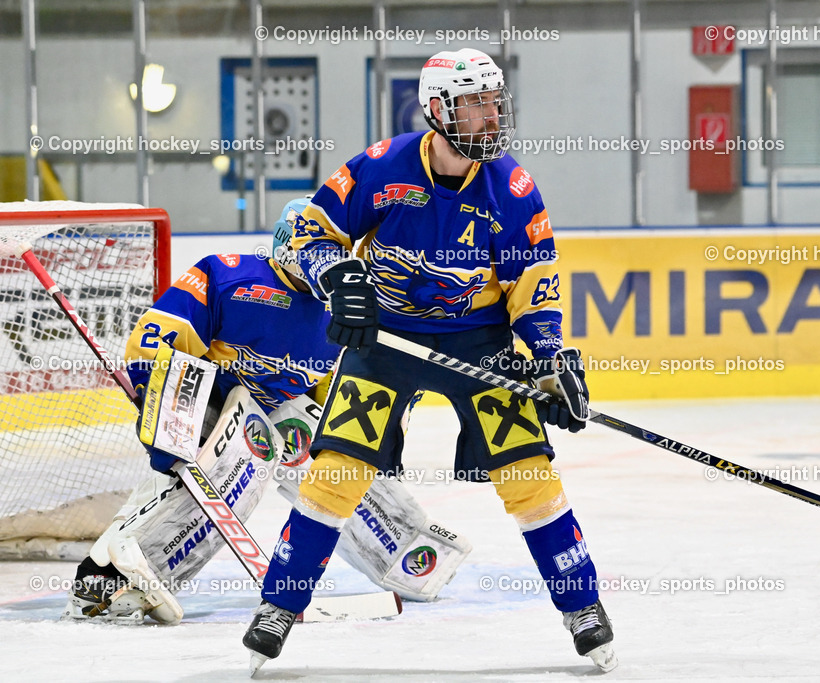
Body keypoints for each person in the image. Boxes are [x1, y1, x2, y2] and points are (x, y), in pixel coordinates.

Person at [242, 48, 617, 674]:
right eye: (476, 103)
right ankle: (279, 606)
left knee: (529, 477)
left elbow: (535, 293)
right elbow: (307, 235)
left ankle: (582, 606)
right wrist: (337, 275)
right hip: (386, 344)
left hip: (481, 344)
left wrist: (550, 361)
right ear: (439, 108)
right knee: (334, 474)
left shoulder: (515, 192)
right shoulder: (379, 168)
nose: (492, 116)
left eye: (496, 102)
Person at [64, 198, 467, 623]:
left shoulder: (341, 309)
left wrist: (380, 435)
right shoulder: (228, 275)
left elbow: (349, 387)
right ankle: (105, 579)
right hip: (209, 404)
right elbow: (154, 340)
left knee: (328, 453)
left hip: (275, 413)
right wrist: (167, 414)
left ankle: (402, 550)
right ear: (286, 246)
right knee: (240, 465)